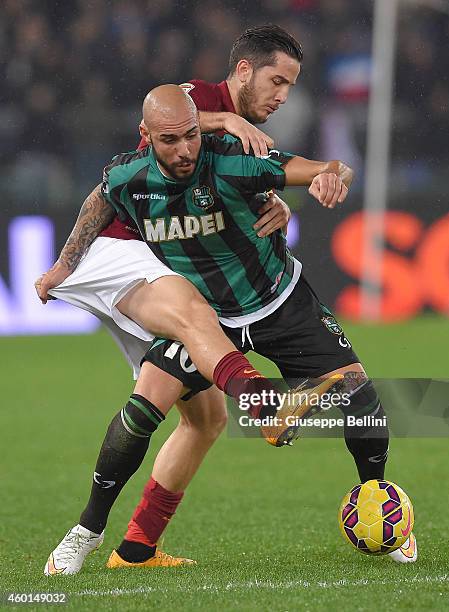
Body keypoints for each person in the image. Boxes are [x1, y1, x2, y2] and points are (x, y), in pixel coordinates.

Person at [59, 84, 414, 575]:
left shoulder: (231, 161)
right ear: (146, 137)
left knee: (363, 402)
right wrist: (62, 267)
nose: (184, 151)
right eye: (170, 141)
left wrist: (332, 176)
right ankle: (89, 533)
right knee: (143, 410)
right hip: (207, 318)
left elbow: (320, 168)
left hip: (277, 302)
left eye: (190, 136)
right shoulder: (128, 177)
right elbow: (96, 205)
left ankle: (378, 502)